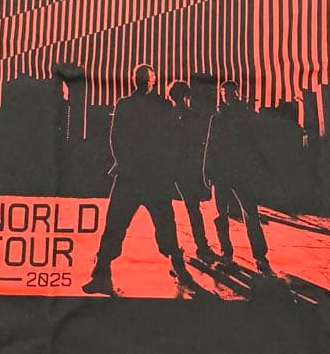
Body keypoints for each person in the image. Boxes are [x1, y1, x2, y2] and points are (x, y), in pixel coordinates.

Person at [82, 64, 197, 296]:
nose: (144, 81)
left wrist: (125, 162)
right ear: (151, 82)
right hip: (154, 177)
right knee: (164, 225)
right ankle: (178, 268)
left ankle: (101, 273)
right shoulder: (163, 106)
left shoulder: (125, 105)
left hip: (130, 176)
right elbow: (171, 141)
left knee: (116, 225)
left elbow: (116, 138)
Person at [203, 82, 271, 273]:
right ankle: (228, 254)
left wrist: (257, 169)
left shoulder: (244, 117)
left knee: (249, 214)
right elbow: (211, 145)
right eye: (224, 93)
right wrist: (207, 171)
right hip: (225, 173)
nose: (227, 96)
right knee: (225, 215)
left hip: (239, 172)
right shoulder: (219, 118)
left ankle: (259, 257)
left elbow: (255, 145)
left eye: (230, 93)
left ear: (237, 94)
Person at [166, 81, 219, 263]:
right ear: (186, 96)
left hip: (170, 168)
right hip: (188, 168)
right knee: (193, 209)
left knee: (167, 212)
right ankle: (201, 246)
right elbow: (200, 142)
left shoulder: (167, 116)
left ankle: (174, 250)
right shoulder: (193, 116)